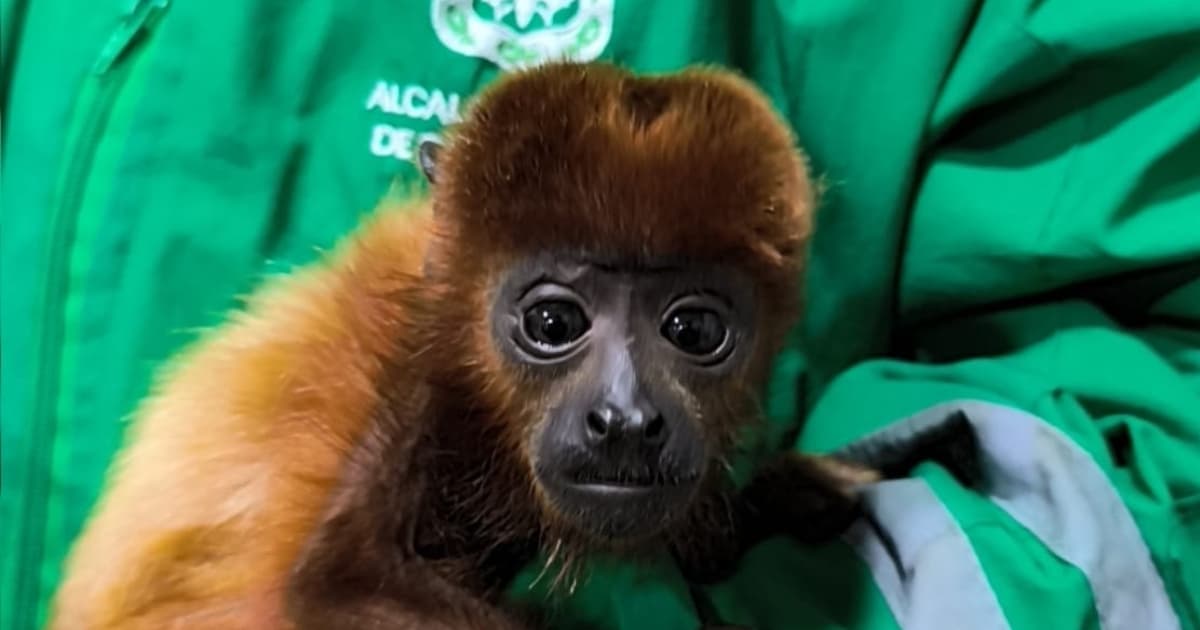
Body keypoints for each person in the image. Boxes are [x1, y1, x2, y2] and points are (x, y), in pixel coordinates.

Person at [3, 1, 1198, 628]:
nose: (624, 405)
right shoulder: (393, 345)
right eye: (554, 326)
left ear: (783, 296)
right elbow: (336, 588)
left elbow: (1153, 383)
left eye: (693, 334)